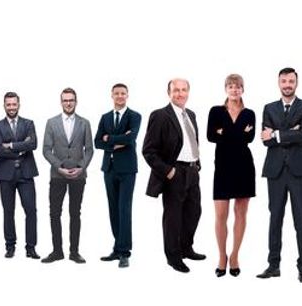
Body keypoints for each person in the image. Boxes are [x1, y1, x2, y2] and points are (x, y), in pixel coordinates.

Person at [259, 67, 302, 283]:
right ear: (278, 83)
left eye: (291, 81)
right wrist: (291, 131)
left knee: (301, 220)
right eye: (283, 81)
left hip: (300, 170)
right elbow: (265, 140)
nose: (287, 85)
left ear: (296, 83)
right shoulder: (269, 108)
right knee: (275, 219)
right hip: (275, 171)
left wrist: (276, 133)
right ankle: (273, 265)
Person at [143, 79, 207, 272]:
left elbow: (191, 141)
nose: (180, 93)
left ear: (189, 92)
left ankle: (186, 248)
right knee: (173, 217)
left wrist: (197, 163)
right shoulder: (160, 115)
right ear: (168, 93)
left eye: (184, 90)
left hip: (192, 171)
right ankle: (173, 257)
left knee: (194, 212)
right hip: (174, 173)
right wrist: (168, 171)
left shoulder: (191, 115)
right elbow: (148, 151)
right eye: (176, 90)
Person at [207, 74, 259, 277]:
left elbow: (250, 137)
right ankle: (222, 255)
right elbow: (211, 136)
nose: (234, 90)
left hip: (244, 167)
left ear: (242, 90)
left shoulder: (250, 113)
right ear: (225, 89)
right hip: (222, 167)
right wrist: (237, 133)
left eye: (238, 87)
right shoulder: (216, 111)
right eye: (230, 86)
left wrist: (225, 132)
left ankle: (235, 255)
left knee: (240, 213)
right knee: (220, 215)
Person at [42, 88, 94, 263]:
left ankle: (74, 252)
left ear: (76, 101)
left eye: (71, 100)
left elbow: (89, 149)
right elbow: (46, 150)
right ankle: (57, 251)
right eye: (65, 100)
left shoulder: (84, 123)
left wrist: (81, 167)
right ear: (61, 102)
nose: (68, 103)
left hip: (78, 176)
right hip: (57, 176)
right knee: (54, 213)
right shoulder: (51, 123)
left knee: (75, 213)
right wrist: (59, 167)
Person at [94, 84, 142, 267]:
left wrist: (109, 138)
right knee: (113, 208)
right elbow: (97, 141)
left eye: (123, 93)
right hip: (109, 168)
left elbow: (131, 139)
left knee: (124, 209)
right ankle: (117, 248)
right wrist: (115, 142)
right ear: (111, 95)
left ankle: (125, 252)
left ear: (127, 95)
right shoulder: (105, 117)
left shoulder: (134, 116)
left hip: (127, 169)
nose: (120, 96)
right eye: (117, 93)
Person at [0, 93, 41, 259]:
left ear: (19, 105)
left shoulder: (28, 123)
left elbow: (33, 144)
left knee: (31, 211)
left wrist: (11, 145)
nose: (12, 107)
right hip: (5, 174)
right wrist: (22, 147)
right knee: (8, 211)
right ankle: (10, 246)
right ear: (4, 105)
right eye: (9, 104)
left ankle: (31, 247)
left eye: (14, 104)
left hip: (26, 173)